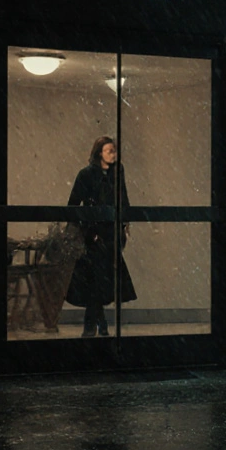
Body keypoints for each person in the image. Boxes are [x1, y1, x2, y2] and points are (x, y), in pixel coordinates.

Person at [65, 136, 136, 336]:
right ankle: (96, 326)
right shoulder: (87, 174)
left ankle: (96, 325)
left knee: (99, 282)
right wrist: (85, 230)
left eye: (114, 150)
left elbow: (123, 197)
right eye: (109, 151)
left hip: (111, 234)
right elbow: (73, 204)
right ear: (99, 153)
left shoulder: (117, 172)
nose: (113, 154)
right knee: (97, 281)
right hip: (94, 235)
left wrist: (124, 224)